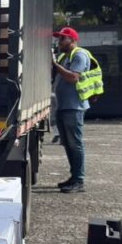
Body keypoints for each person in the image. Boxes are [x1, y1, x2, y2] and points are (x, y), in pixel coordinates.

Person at [52, 26, 90, 193]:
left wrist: (54, 64)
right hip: (64, 106)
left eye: (62, 38)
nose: (59, 42)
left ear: (72, 40)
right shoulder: (65, 56)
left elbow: (73, 78)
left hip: (74, 107)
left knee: (75, 143)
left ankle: (79, 180)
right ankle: (74, 177)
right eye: (58, 38)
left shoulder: (79, 55)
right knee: (67, 143)